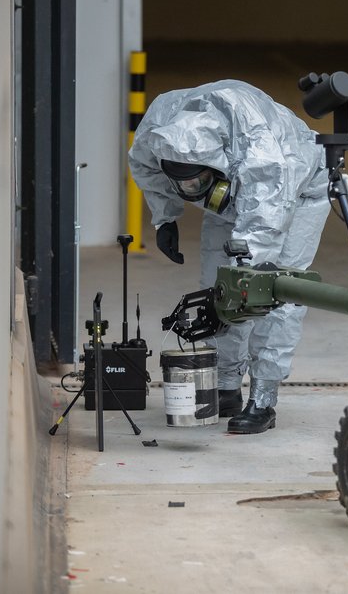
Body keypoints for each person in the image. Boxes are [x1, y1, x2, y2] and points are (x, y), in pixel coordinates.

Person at [128, 80, 330, 434]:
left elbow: (262, 230)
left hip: (297, 192)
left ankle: (264, 398)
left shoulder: (261, 151)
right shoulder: (161, 126)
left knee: (274, 293)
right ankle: (225, 387)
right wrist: (166, 216)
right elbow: (144, 167)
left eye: (196, 183)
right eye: (184, 185)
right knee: (216, 287)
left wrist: (242, 277)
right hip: (235, 192)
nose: (191, 191)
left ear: (215, 162)